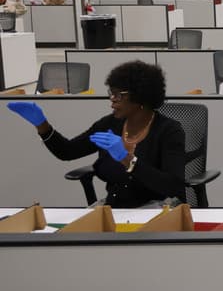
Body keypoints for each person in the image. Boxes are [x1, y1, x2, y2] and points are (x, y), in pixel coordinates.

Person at [6, 61, 186, 207]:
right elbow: (67, 151)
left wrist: (127, 159)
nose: (112, 100)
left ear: (141, 97)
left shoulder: (169, 131)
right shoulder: (109, 125)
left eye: (119, 95)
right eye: (111, 93)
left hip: (158, 209)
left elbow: (173, 185)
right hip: (114, 207)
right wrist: (42, 125)